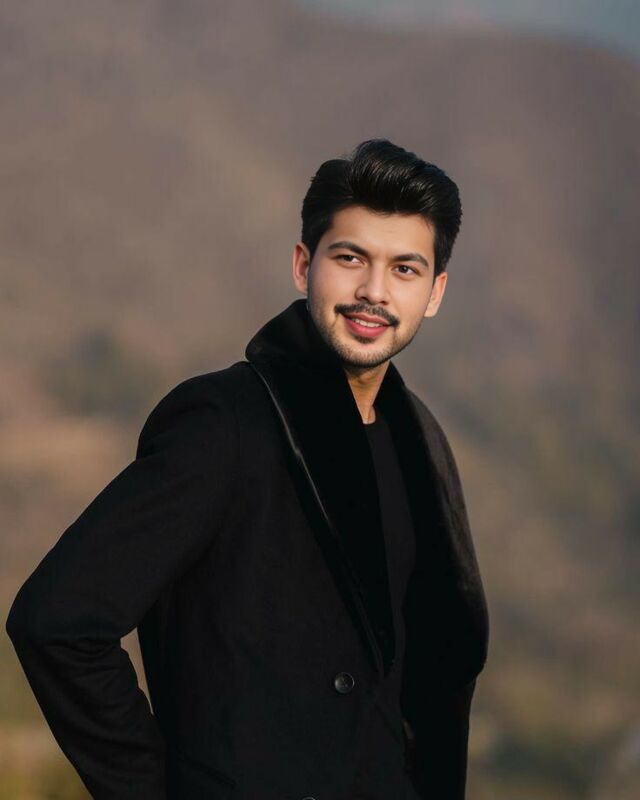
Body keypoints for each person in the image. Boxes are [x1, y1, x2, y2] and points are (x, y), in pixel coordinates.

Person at [6, 138, 489, 800]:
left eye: (405, 269)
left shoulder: (421, 439)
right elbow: (57, 620)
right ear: (303, 264)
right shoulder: (225, 423)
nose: (373, 292)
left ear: (434, 293)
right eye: (350, 258)